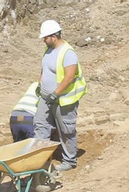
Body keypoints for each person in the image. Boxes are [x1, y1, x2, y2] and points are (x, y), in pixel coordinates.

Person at [34, 19, 87, 173]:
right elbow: (44, 70)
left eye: (45, 37)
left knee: (66, 130)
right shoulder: (48, 50)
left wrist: (55, 93)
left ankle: (69, 161)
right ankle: (41, 160)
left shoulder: (68, 53)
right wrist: (40, 85)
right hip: (46, 98)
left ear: (54, 36)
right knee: (40, 125)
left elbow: (69, 77)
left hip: (63, 100)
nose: (43, 40)